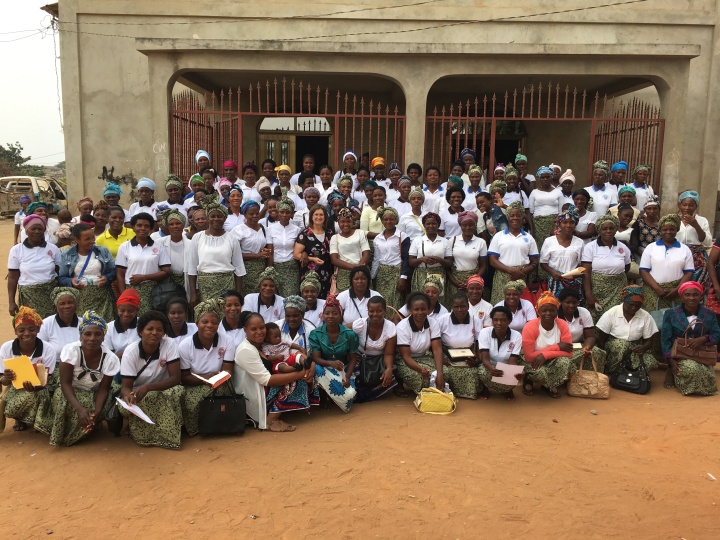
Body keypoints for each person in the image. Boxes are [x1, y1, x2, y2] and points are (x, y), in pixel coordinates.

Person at [37, 311, 119, 446]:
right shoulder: (71, 350)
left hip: (94, 392)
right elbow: (65, 383)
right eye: (87, 334)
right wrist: (79, 409)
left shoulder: (110, 359)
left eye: (98, 334)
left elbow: (103, 389)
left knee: (91, 412)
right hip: (70, 390)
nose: (92, 338)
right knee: (68, 405)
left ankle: (89, 425)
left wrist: (97, 413)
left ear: (104, 338)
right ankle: (69, 430)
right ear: (80, 336)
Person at [233, 312, 316, 432]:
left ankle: (280, 411)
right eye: (253, 329)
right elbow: (268, 380)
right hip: (254, 396)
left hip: (264, 389)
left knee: (309, 373)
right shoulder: (245, 350)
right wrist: (301, 374)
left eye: (262, 328)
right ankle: (270, 421)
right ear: (245, 330)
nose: (259, 332)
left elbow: (289, 351)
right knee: (294, 382)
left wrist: (310, 364)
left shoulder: (262, 344)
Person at [119, 310, 184, 449]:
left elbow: (175, 378)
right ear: (141, 331)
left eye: (159, 330)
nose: (155, 332)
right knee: (131, 405)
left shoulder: (169, 344)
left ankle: (167, 437)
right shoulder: (130, 352)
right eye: (150, 329)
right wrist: (128, 397)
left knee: (176, 392)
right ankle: (145, 436)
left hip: (162, 387)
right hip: (137, 391)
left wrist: (148, 387)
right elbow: (125, 387)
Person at [178, 299, 236, 437]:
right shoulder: (185, 346)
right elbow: (185, 377)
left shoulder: (227, 341)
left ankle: (218, 425)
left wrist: (216, 378)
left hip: (219, 382)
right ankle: (196, 428)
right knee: (192, 398)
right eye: (205, 322)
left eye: (214, 323)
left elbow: (228, 370)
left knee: (222, 388)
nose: (210, 325)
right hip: (194, 384)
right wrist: (208, 378)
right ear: (197, 323)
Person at [0, 307, 59, 432]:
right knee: (10, 407)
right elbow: (4, 382)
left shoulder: (47, 349)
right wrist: (7, 377)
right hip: (16, 387)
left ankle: (39, 419)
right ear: (15, 331)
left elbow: (47, 380)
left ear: (38, 330)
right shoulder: (7, 348)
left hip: (44, 386)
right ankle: (20, 417)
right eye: (21, 330)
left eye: (32, 329)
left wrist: (36, 387)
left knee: (40, 396)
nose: (26, 333)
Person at [661, 281, 720, 395]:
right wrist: (671, 360)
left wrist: (705, 339)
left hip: (702, 353)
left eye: (695, 294)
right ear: (681, 296)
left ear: (701, 296)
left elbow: (716, 333)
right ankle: (672, 373)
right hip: (680, 354)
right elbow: (665, 338)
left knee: (706, 372)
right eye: (687, 295)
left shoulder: (709, 314)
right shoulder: (670, 314)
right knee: (692, 369)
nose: (692, 298)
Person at [187, 201, 245, 305]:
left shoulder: (232, 238)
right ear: (208, 218)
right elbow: (192, 267)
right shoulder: (198, 237)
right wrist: (193, 293)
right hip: (205, 287)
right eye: (212, 216)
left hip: (227, 284)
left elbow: (239, 268)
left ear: (225, 218)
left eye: (219, 216)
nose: (216, 219)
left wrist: (238, 293)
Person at [7, 213, 62, 319]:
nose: (37, 231)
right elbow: (12, 277)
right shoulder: (17, 250)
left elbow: (59, 273)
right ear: (26, 231)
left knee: (50, 326)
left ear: (44, 231)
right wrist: (11, 302)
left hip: (50, 296)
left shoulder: (53, 249)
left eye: (40, 229)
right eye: (33, 228)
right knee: (31, 327)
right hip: (28, 297)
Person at [115, 212, 171, 314]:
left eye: (146, 226)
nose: (143, 228)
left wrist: (144, 277)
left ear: (150, 228)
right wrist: (124, 295)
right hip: (131, 289)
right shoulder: (125, 247)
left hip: (153, 291)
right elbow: (120, 274)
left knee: (150, 319)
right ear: (133, 227)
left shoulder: (158, 246)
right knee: (132, 318)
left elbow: (166, 271)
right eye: (139, 225)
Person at [596, 286, 659, 375]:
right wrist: (603, 359)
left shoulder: (645, 316)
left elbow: (649, 341)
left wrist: (643, 347)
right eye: (630, 305)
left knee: (650, 362)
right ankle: (612, 372)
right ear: (624, 301)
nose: (634, 308)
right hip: (614, 348)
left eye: (637, 306)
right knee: (621, 345)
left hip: (634, 349)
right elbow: (601, 340)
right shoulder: (612, 313)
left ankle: (627, 373)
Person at [520, 292, 573, 398]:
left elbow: (569, 353)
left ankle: (549, 385)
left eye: (552, 310)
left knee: (566, 363)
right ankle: (529, 378)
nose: (548, 313)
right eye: (544, 310)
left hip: (550, 359)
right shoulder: (530, 326)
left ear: (557, 311)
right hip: (533, 361)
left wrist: (544, 355)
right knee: (541, 373)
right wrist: (557, 347)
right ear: (538, 311)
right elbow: (529, 356)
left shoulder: (561, 324)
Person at [639, 213, 694, 312]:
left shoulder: (684, 249)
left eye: (672, 229)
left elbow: (689, 272)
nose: (668, 232)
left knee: (676, 320)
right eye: (665, 229)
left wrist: (677, 289)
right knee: (653, 321)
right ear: (660, 231)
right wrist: (657, 289)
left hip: (676, 293)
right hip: (653, 292)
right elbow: (643, 271)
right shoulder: (651, 248)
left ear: (677, 230)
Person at [581, 214, 631, 323]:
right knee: (597, 316)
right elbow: (586, 272)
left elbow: (627, 267)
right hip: (597, 290)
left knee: (616, 317)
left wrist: (614, 275)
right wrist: (589, 295)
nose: (608, 231)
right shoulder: (590, 247)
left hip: (618, 289)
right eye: (604, 229)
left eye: (611, 228)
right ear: (599, 230)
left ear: (615, 229)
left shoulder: (623, 247)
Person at [487, 202, 539, 304]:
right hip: (502, 276)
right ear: (508, 217)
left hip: (522, 277)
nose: (515, 218)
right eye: (512, 215)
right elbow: (492, 260)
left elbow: (535, 262)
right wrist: (511, 271)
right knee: (501, 306)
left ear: (522, 218)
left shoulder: (528, 237)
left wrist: (521, 272)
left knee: (522, 305)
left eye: (518, 215)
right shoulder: (499, 236)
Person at [394, 292, 445, 395]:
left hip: (424, 357)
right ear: (410, 310)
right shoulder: (402, 327)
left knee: (445, 374)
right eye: (416, 309)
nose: (420, 312)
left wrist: (440, 373)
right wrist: (421, 370)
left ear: (428, 309)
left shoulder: (433, 323)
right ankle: (400, 380)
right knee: (422, 379)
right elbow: (406, 356)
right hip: (404, 360)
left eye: (423, 309)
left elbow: (437, 349)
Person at [351, 296, 398, 402]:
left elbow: (389, 354)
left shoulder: (390, 327)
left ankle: (364, 393)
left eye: (379, 311)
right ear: (368, 311)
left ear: (385, 311)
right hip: (360, 357)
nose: (375, 314)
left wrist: (389, 368)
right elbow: (342, 330)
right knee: (355, 373)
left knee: (392, 371)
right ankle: (361, 393)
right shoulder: (360, 324)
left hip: (379, 359)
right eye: (371, 311)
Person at [438, 292, 484, 399]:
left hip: (467, 354)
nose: (460, 309)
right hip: (446, 354)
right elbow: (435, 342)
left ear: (468, 306)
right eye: (456, 307)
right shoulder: (443, 320)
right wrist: (442, 359)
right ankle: (448, 391)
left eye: (463, 306)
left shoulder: (475, 320)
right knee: (445, 371)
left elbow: (479, 342)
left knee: (473, 372)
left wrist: (477, 358)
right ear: (452, 307)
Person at [476, 306, 524, 400]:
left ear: (509, 321)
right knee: (482, 371)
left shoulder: (516, 336)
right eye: (495, 320)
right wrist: (491, 368)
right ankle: (486, 387)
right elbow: (484, 359)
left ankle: (507, 389)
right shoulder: (484, 332)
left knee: (515, 375)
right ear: (492, 321)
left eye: (503, 320)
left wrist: (518, 371)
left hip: (506, 366)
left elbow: (512, 361)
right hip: (489, 365)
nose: (499, 323)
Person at [557, 288, 607, 374]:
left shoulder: (583, 312)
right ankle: (568, 379)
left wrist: (586, 347)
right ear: (561, 302)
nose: (571, 305)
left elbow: (590, 336)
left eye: (574, 302)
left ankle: (591, 379)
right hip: (559, 347)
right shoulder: (554, 314)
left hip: (577, 345)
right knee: (563, 360)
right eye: (567, 302)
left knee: (596, 352)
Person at [539, 207, 584, 299]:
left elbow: (581, 264)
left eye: (572, 222)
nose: (568, 225)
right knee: (555, 306)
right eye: (565, 222)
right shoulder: (549, 241)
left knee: (571, 306)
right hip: (555, 281)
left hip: (573, 282)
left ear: (575, 224)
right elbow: (543, 263)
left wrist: (574, 274)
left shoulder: (580, 242)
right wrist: (553, 272)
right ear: (559, 224)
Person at [371, 206, 410, 311]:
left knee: (395, 301)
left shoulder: (403, 236)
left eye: (391, 219)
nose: (388, 221)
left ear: (396, 220)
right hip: (382, 274)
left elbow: (406, 258)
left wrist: (403, 277)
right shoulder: (377, 239)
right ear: (382, 221)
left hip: (396, 273)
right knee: (382, 300)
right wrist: (372, 277)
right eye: (385, 219)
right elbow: (376, 259)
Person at [232, 200, 273, 297]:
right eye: (251, 214)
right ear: (245, 215)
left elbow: (270, 251)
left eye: (257, 213)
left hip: (262, 269)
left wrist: (268, 271)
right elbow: (234, 255)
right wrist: (257, 255)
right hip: (245, 270)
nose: (255, 216)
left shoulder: (264, 229)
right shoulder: (238, 230)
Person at [446, 211, 487, 306]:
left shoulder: (481, 242)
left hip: (474, 282)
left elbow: (483, 265)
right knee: (456, 306)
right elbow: (448, 264)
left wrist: (473, 281)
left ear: (475, 225)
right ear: (460, 225)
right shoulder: (453, 240)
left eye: (471, 225)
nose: (468, 228)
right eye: (464, 225)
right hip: (456, 281)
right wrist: (454, 281)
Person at [408, 212, 452, 299]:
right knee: (422, 300)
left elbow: (449, 263)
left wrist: (439, 259)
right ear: (424, 225)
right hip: (421, 275)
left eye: (434, 223)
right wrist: (422, 259)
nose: (431, 226)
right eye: (428, 223)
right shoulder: (417, 241)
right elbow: (411, 262)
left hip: (439, 275)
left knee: (438, 299)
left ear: (438, 225)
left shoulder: (445, 242)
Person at [295, 204, 335, 298]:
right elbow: (296, 254)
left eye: (321, 215)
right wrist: (312, 259)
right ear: (311, 217)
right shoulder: (305, 234)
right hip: (309, 275)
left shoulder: (329, 233)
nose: (318, 217)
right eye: (316, 214)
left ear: (325, 217)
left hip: (326, 273)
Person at [676, 190, 712, 288]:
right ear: (679, 205)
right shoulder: (674, 219)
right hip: (677, 257)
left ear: (696, 206)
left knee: (696, 287)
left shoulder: (702, 220)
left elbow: (707, 242)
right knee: (678, 286)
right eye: (684, 205)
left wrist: (695, 225)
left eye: (691, 205)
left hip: (697, 260)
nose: (687, 208)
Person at [330, 207, 371, 293]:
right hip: (344, 274)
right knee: (345, 300)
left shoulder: (360, 233)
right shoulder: (335, 238)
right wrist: (354, 268)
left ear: (353, 221)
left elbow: (366, 253)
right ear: (338, 223)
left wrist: (360, 268)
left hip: (362, 272)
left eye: (348, 221)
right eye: (342, 222)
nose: (346, 224)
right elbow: (334, 259)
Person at [269, 191, 301, 297]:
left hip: (291, 267)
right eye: (282, 212)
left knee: (290, 297)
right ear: (278, 212)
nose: (284, 215)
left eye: (287, 212)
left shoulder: (297, 230)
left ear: (291, 214)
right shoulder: (270, 229)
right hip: (275, 267)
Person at [529, 166, 564, 251]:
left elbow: (561, 211)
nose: (545, 179)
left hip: (554, 223)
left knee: (553, 245)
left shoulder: (558, 192)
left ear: (551, 177)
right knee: (539, 246)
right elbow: (531, 211)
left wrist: (557, 224)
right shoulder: (534, 192)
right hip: (538, 224)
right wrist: (532, 229)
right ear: (539, 178)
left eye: (547, 177)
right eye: (543, 177)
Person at [156, 209, 189, 294]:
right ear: (167, 226)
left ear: (183, 225)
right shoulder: (160, 243)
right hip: (166, 283)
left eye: (178, 223)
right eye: (171, 224)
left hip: (186, 282)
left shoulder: (191, 243)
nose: (175, 226)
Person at [103, 289, 141, 359]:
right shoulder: (108, 328)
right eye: (122, 310)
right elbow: (107, 355)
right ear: (117, 309)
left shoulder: (143, 324)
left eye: (131, 311)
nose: (126, 314)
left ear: (137, 310)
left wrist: (124, 354)